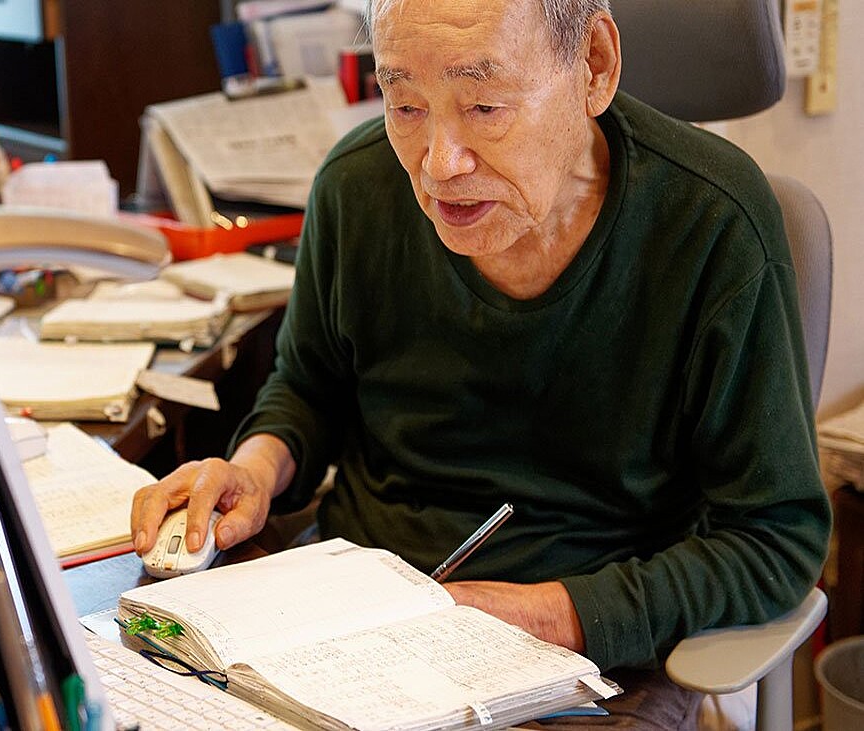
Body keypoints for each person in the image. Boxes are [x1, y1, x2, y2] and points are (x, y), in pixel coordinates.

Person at [131, 0, 831, 725]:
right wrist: (253, 469)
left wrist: (547, 615)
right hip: (353, 628)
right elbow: (309, 390)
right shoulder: (355, 186)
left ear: (593, 66)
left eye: (485, 106)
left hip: (591, 659)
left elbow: (776, 540)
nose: (439, 165)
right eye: (405, 105)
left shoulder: (710, 221)